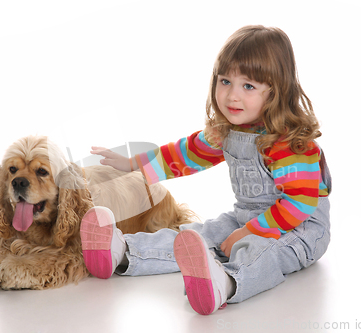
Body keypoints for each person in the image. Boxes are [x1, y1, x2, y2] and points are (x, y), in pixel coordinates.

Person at [81, 25, 332, 316]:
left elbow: (299, 203)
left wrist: (250, 231)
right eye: (225, 81)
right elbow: (185, 154)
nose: (231, 96)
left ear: (275, 91)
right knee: (200, 234)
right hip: (246, 217)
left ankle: (224, 283)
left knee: (263, 252)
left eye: (248, 86)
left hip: (300, 229)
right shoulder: (229, 130)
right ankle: (123, 252)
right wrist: (132, 165)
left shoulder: (290, 143)